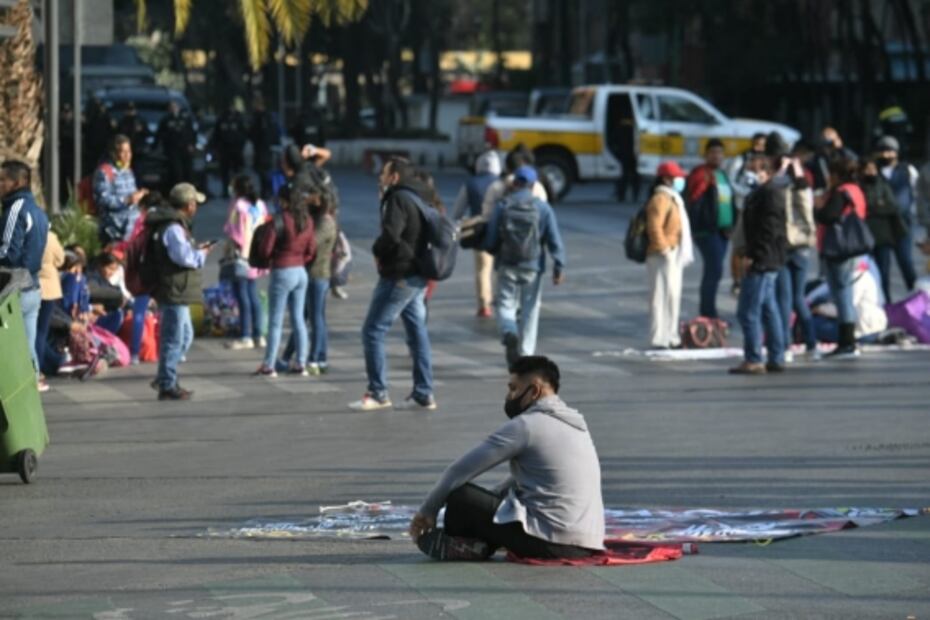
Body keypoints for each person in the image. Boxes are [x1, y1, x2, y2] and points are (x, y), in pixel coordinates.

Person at [409, 356, 605, 561]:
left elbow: (458, 471)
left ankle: (469, 546)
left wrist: (427, 512)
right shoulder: (576, 425)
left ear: (534, 391)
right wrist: (489, 501)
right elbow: (535, 479)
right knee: (492, 499)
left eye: (513, 389)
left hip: (551, 543)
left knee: (461, 496)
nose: (509, 396)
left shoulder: (527, 425)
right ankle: (481, 542)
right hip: (586, 542)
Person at [349, 157, 435, 411]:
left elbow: (392, 235)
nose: (380, 176)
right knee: (417, 333)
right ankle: (424, 392)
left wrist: (377, 250)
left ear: (394, 177)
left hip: (399, 275)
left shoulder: (398, 198)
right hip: (417, 275)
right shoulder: (419, 196)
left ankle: (378, 392)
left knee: (373, 330)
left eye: (384, 173)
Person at [483, 165, 566, 365]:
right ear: (533, 185)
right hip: (533, 265)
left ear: (515, 183)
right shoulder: (543, 208)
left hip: (507, 262)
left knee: (505, 304)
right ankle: (526, 354)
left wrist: (493, 252)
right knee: (530, 309)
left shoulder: (503, 205)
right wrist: (559, 266)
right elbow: (554, 239)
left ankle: (509, 332)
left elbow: (491, 236)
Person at [148, 183, 212, 400]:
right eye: (195, 203)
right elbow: (184, 258)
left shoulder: (176, 226)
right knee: (174, 338)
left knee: (184, 335)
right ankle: (167, 383)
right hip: (174, 289)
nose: (196, 207)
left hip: (178, 289)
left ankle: (165, 376)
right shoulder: (174, 229)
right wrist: (201, 254)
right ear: (189, 204)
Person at [730, 157, 787, 375]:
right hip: (769, 258)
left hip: (763, 260)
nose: (750, 172)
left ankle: (754, 358)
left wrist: (754, 256)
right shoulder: (767, 192)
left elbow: (767, 231)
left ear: (767, 171)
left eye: (755, 169)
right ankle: (776, 355)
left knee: (748, 311)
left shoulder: (769, 193)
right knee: (768, 309)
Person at [254, 186, 316, 378]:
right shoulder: (307, 220)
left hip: (282, 271)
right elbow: (311, 250)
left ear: (284, 201)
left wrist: (276, 258)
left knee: (276, 321)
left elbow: (265, 250)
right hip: (301, 272)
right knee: (298, 319)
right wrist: (299, 260)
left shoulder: (279, 220)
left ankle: (269, 365)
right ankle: (301, 363)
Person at [771, 137, 820, 362]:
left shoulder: (778, 188)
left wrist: (780, 170)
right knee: (798, 298)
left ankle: (786, 346)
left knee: (784, 298)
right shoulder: (803, 189)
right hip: (801, 245)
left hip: (782, 245)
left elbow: (769, 189)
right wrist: (797, 171)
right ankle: (811, 345)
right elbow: (807, 205)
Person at [0, 160, 49, 378]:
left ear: (18, 182)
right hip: (33, 287)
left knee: (10, 350)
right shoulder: (37, 211)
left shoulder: (15, 209)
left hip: (14, 289)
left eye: (3, 180)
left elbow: (7, 253)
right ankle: (32, 392)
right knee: (28, 348)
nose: (0, 184)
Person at [814, 158, 866, 359]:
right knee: (845, 292)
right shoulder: (855, 189)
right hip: (850, 248)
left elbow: (828, 216)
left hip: (839, 249)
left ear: (836, 175)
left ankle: (847, 342)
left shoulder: (841, 192)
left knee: (842, 293)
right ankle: (848, 341)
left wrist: (818, 208)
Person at [685, 139, 735, 318]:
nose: (717, 156)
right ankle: (708, 314)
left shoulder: (722, 174)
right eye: (713, 152)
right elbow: (693, 202)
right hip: (707, 231)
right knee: (713, 270)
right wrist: (692, 228)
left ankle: (709, 312)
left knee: (716, 270)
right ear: (705, 155)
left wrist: (731, 224)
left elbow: (728, 201)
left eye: (720, 153)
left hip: (723, 232)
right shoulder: (700, 174)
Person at [644, 161, 691, 349]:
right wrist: (663, 248)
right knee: (660, 297)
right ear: (665, 179)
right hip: (662, 254)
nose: (680, 180)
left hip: (672, 253)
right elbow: (654, 226)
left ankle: (671, 336)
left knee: (672, 296)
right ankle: (659, 337)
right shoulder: (660, 199)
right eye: (676, 177)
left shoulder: (672, 198)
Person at [452, 150, 501, 318]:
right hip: (502, 231)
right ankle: (502, 300)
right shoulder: (503, 183)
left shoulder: (470, 183)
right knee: (500, 268)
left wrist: (459, 222)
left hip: (480, 232)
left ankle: (484, 305)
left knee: (483, 269)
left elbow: (458, 210)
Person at [222, 176, 268, 350]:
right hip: (257, 255)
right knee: (252, 293)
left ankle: (246, 335)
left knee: (242, 296)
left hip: (241, 255)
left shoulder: (238, 206)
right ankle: (258, 334)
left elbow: (232, 231)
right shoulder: (260, 205)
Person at [875, 135, 918, 295]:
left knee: (906, 263)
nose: (886, 155)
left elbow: (916, 194)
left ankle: (917, 300)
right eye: (882, 151)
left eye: (889, 151)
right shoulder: (874, 171)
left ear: (896, 152)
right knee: (882, 268)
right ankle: (886, 304)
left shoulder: (907, 169)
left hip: (903, 224)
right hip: (881, 227)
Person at [861, 158, 905, 303]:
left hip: (883, 237)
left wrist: (872, 208)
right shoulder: (859, 185)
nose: (871, 172)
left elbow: (892, 206)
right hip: (864, 237)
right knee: (865, 273)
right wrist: (878, 206)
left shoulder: (883, 184)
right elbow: (861, 209)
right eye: (867, 169)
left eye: (873, 169)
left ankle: (886, 302)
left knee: (883, 272)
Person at [93, 134, 148, 245]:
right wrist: (126, 200)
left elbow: (132, 197)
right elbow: (102, 200)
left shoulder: (128, 171)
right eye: (123, 151)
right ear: (114, 153)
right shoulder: (104, 172)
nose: (127, 155)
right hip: (114, 231)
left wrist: (140, 196)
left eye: (129, 151)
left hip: (132, 229)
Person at [306, 193, 337, 374]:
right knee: (316, 317)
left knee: (316, 318)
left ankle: (317, 357)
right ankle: (320, 356)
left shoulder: (325, 223)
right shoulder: (322, 221)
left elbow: (311, 244)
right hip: (317, 273)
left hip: (318, 273)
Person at [35, 229, 64, 392]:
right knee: (41, 332)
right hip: (49, 288)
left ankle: (37, 368)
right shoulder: (51, 237)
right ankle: (39, 369)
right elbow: (60, 260)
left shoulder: (25, 233)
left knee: (32, 331)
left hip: (29, 285)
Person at [156, 101, 196, 189]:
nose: (173, 109)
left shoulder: (185, 119)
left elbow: (191, 133)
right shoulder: (165, 120)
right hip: (172, 149)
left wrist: (192, 144)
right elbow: (160, 134)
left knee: (188, 171)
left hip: (185, 148)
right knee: (177, 172)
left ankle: (190, 189)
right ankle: (178, 190)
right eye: (171, 107)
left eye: (175, 106)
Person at [211, 102, 248, 195]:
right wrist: (216, 147)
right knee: (224, 171)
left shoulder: (239, 118)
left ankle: (239, 190)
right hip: (224, 149)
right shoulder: (221, 119)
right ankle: (225, 190)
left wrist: (240, 146)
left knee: (237, 171)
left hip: (236, 149)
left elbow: (243, 134)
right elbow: (216, 134)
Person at [249, 95, 278, 198]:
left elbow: (258, 132)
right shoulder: (267, 116)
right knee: (262, 170)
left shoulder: (261, 117)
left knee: (263, 170)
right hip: (263, 147)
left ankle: (267, 190)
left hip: (263, 147)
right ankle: (266, 190)